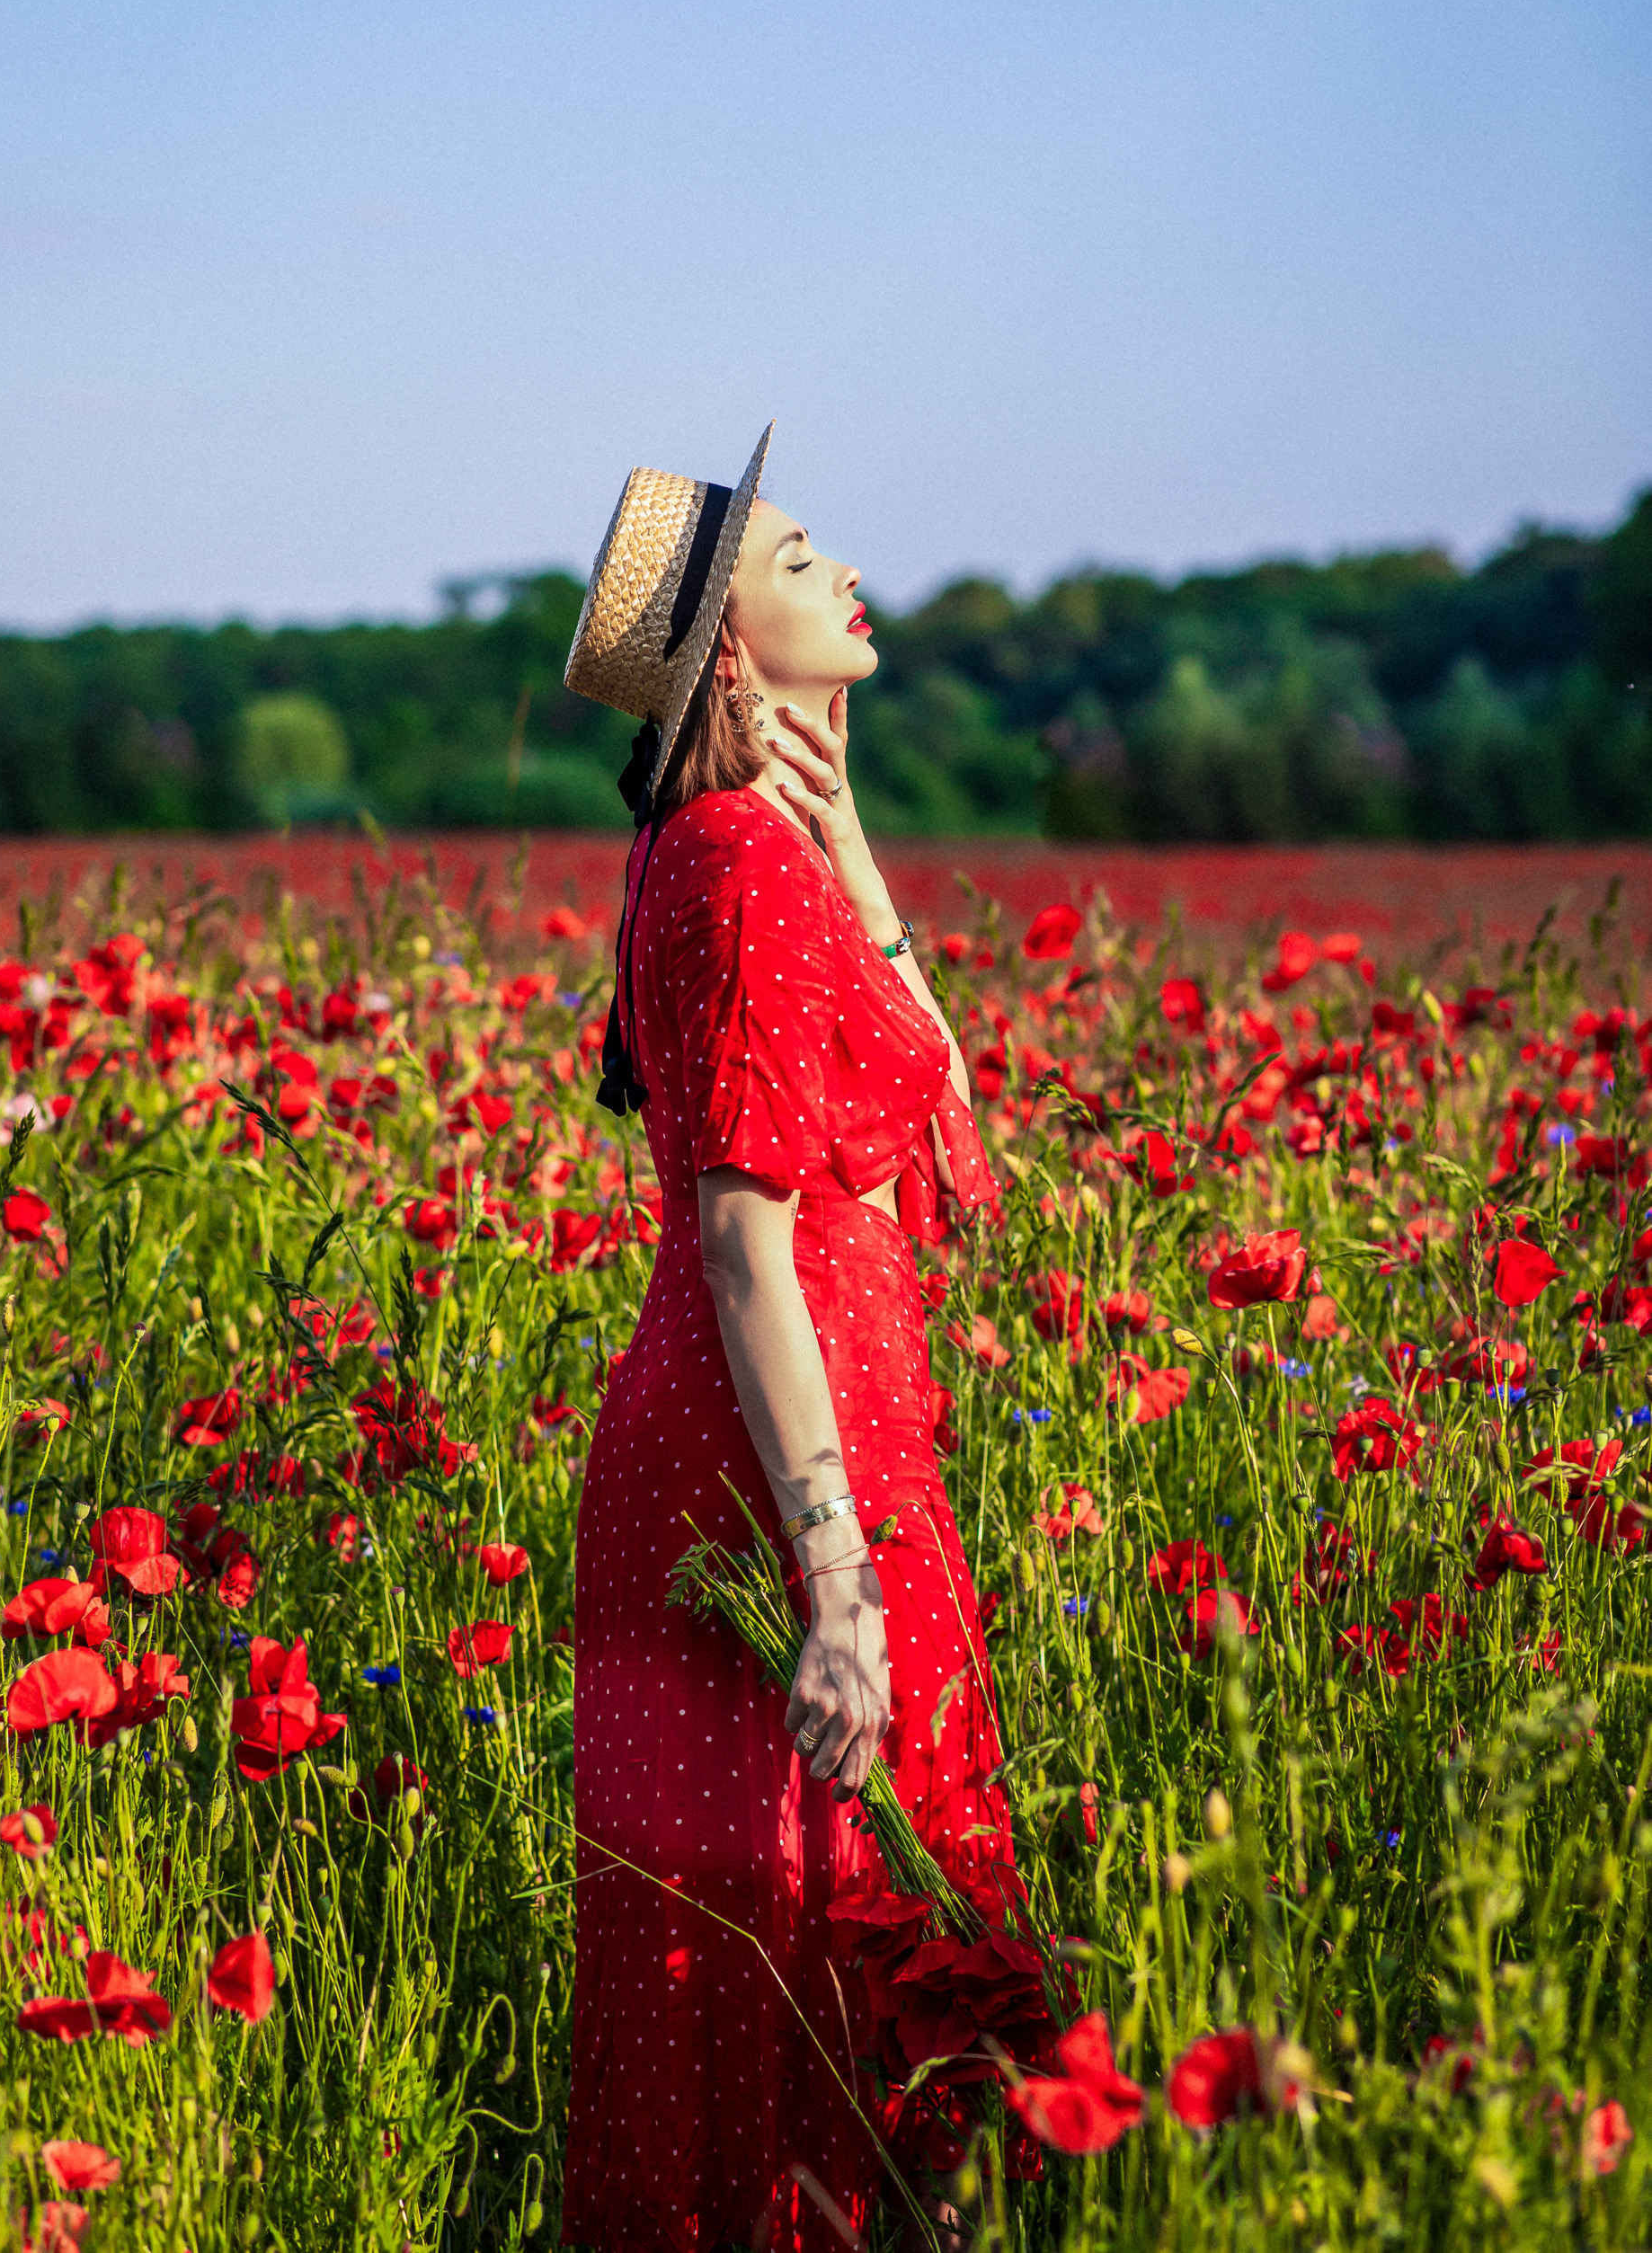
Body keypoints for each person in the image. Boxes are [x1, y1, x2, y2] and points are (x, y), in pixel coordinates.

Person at [559, 430, 1025, 2253]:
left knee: (794, 1948)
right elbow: (746, 1236)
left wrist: (854, 841)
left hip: (779, 1431)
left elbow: (942, 1120)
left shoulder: (734, 847)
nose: (850, 573)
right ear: (730, 649)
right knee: (814, 1950)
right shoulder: (739, 864)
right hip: (780, 1460)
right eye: (803, 556)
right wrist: (835, 1574)